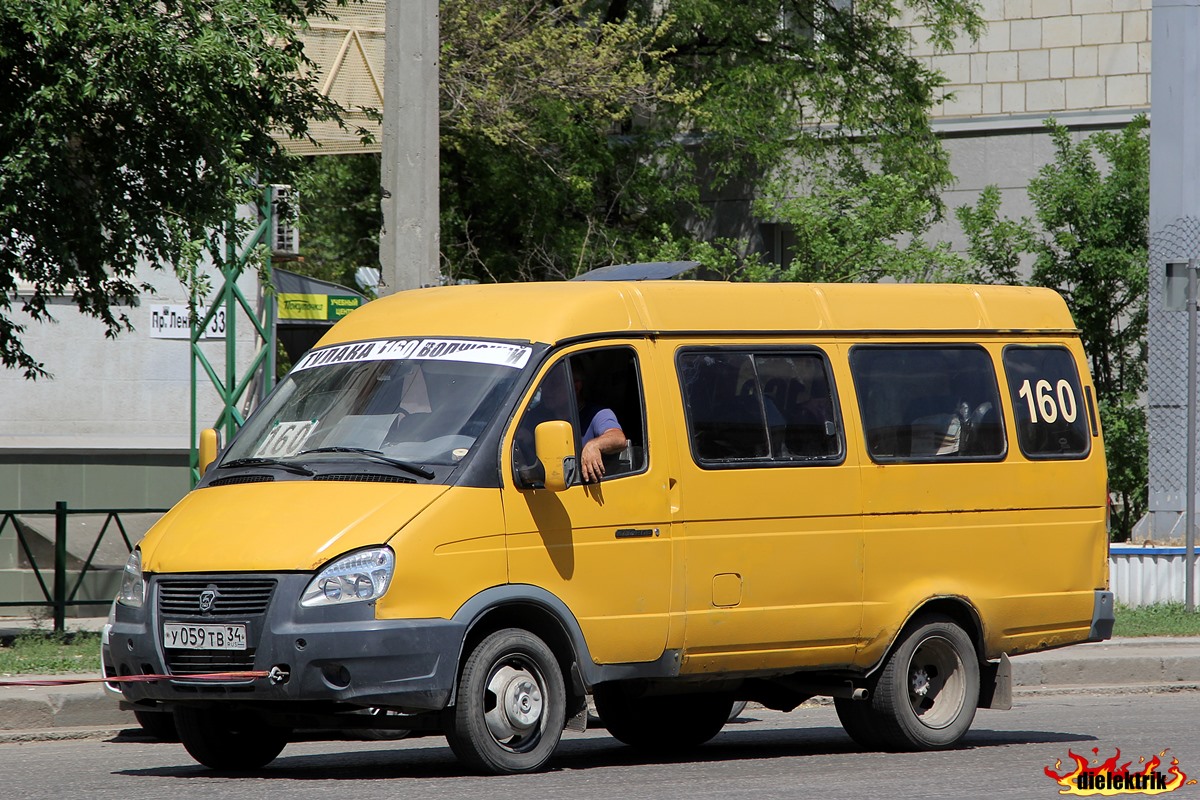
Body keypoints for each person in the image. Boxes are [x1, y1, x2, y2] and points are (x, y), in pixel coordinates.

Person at [516, 363, 626, 484]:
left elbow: (618, 438)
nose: (546, 390)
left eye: (553, 384)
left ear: (576, 387)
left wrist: (593, 445)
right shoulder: (535, 415)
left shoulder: (597, 414)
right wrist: (525, 439)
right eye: (544, 383)